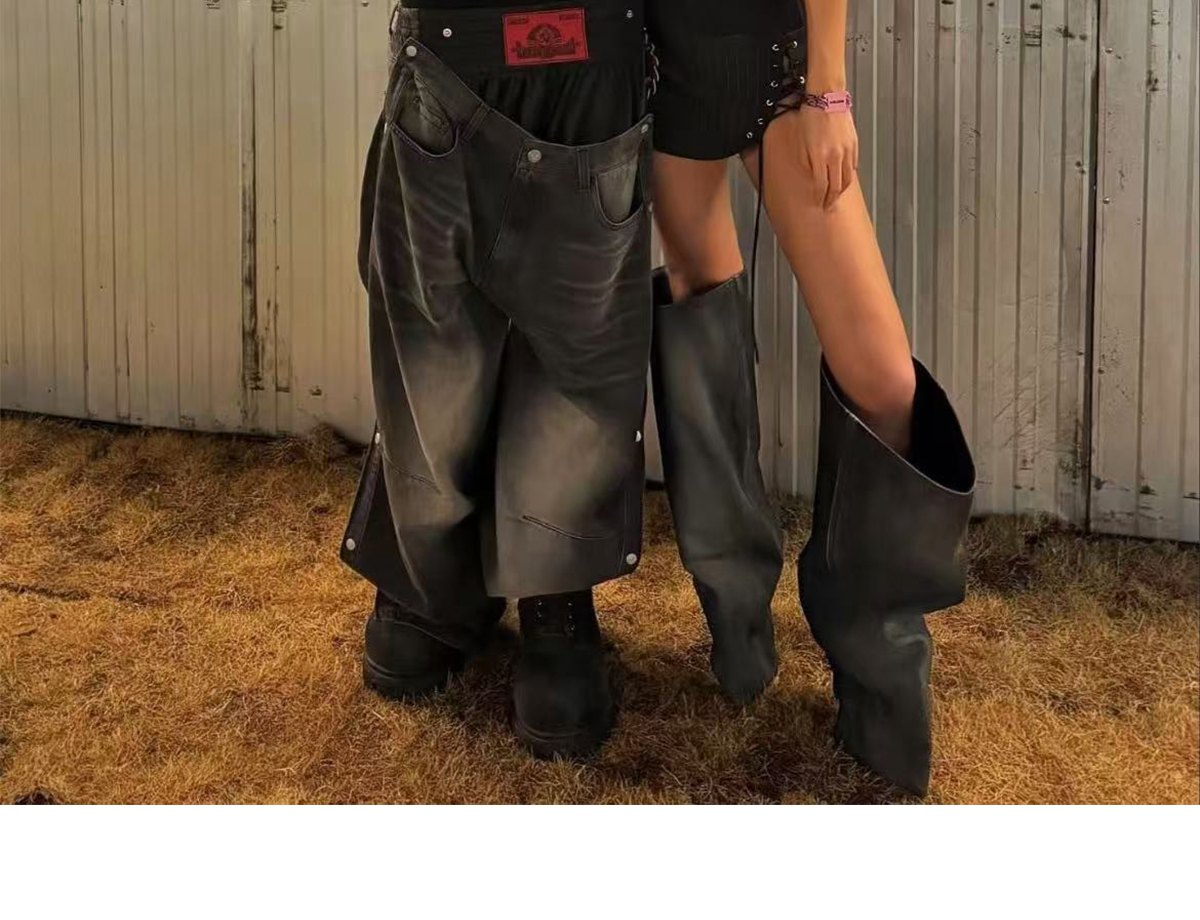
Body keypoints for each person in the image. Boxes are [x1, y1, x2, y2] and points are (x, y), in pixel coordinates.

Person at [645, 0, 977, 795]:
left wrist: (828, 90)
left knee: (884, 381)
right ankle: (738, 634)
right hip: (663, 69)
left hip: (778, 74)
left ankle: (879, 676)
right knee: (700, 330)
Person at [341, 0, 655, 759]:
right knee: (571, 354)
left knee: (436, 341)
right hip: (584, 46)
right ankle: (550, 617)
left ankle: (425, 601)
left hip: (461, 47)